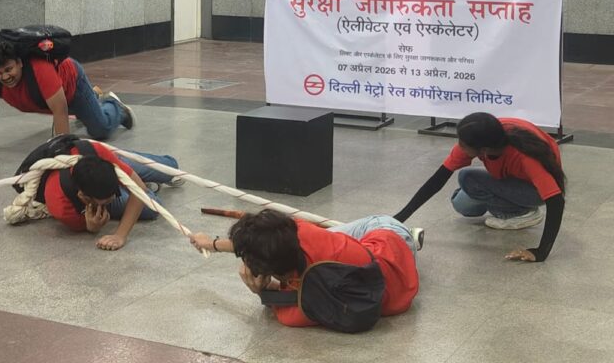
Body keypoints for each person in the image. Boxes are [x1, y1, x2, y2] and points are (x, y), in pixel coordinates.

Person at [190, 211, 419, 328]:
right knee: (334, 233)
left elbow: (260, 248)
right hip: (389, 240)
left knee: (336, 235)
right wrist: (211, 243)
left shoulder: (300, 309)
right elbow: (265, 241)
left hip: (388, 242)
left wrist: (261, 291)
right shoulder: (303, 236)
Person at [394, 112, 565, 262]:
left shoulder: (526, 157)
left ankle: (522, 213)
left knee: (467, 177)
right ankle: (509, 203)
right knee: (462, 204)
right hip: (510, 179)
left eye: (462, 144)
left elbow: (556, 201)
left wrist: (541, 252)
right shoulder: (486, 137)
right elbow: (437, 180)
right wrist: (399, 218)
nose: (459, 146)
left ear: (483, 150)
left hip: (534, 191)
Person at [0, 39, 134, 151]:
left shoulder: (40, 71)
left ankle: (114, 106)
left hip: (72, 87)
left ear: (20, 63)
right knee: (80, 112)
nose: (5, 77)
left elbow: (60, 109)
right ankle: (93, 98)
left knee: (100, 130)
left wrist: (64, 150)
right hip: (50, 98)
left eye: (9, 69)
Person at [34, 139, 180, 251]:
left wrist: (120, 235)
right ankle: (132, 180)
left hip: (104, 158)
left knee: (171, 168)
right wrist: (91, 227)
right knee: (153, 207)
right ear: (84, 197)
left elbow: (139, 190)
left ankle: (126, 164)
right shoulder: (61, 205)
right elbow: (88, 226)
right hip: (82, 192)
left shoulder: (97, 153)